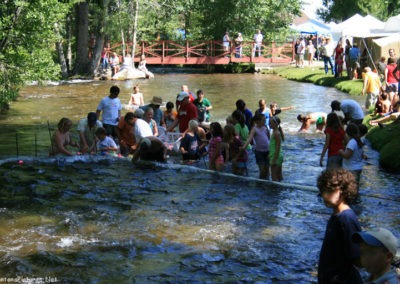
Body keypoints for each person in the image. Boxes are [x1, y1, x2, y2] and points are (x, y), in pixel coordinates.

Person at [317, 168, 362, 284]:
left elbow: (356, 257)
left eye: (329, 191)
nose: (324, 196)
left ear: (342, 191)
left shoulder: (347, 219)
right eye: (322, 191)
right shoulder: (336, 215)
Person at [242, 113, 270, 180]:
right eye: (263, 120)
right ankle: (260, 184)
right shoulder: (254, 129)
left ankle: (267, 183)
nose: (265, 122)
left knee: (267, 170)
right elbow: (249, 138)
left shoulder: (265, 127)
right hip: (259, 152)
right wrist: (244, 147)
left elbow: (268, 138)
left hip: (267, 151)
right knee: (262, 170)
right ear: (257, 121)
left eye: (265, 120)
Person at [338, 123, 365, 188]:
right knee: (355, 189)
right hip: (358, 168)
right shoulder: (359, 141)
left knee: (349, 189)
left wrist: (341, 152)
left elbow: (347, 156)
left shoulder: (352, 142)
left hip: (351, 169)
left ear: (347, 132)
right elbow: (361, 155)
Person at [269, 116, 284, 181]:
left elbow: (278, 147)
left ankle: (275, 190)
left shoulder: (276, 133)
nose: (269, 124)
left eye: (270, 123)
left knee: (274, 177)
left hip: (276, 156)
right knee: (279, 176)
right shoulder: (275, 132)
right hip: (277, 155)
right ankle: (281, 189)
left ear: (275, 124)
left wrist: (274, 159)